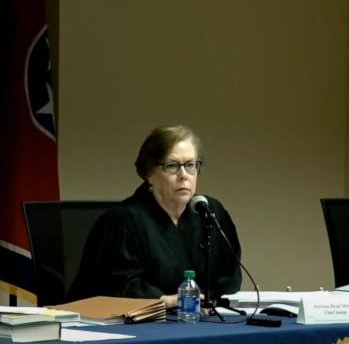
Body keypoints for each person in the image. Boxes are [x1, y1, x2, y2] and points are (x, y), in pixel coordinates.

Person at [69, 125, 242, 308]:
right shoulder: (123, 221)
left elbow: (229, 274)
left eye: (190, 165)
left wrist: (207, 297)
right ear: (149, 173)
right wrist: (169, 301)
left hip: (197, 318)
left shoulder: (209, 211)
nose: (184, 176)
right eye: (172, 166)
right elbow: (117, 286)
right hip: (128, 325)